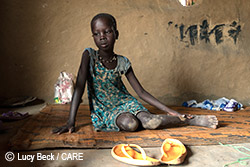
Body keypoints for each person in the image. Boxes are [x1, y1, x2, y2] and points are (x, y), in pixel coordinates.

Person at [52, 13, 218, 134]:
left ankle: (190, 120)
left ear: (116, 34)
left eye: (107, 32)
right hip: (105, 110)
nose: (102, 37)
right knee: (131, 124)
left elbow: (141, 92)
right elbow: (80, 87)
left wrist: (170, 111)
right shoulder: (89, 56)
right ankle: (175, 119)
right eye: (97, 33)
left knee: (150, 122)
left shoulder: (123, 62)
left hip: (126, 102)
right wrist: (70, 121)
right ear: (93, 36)